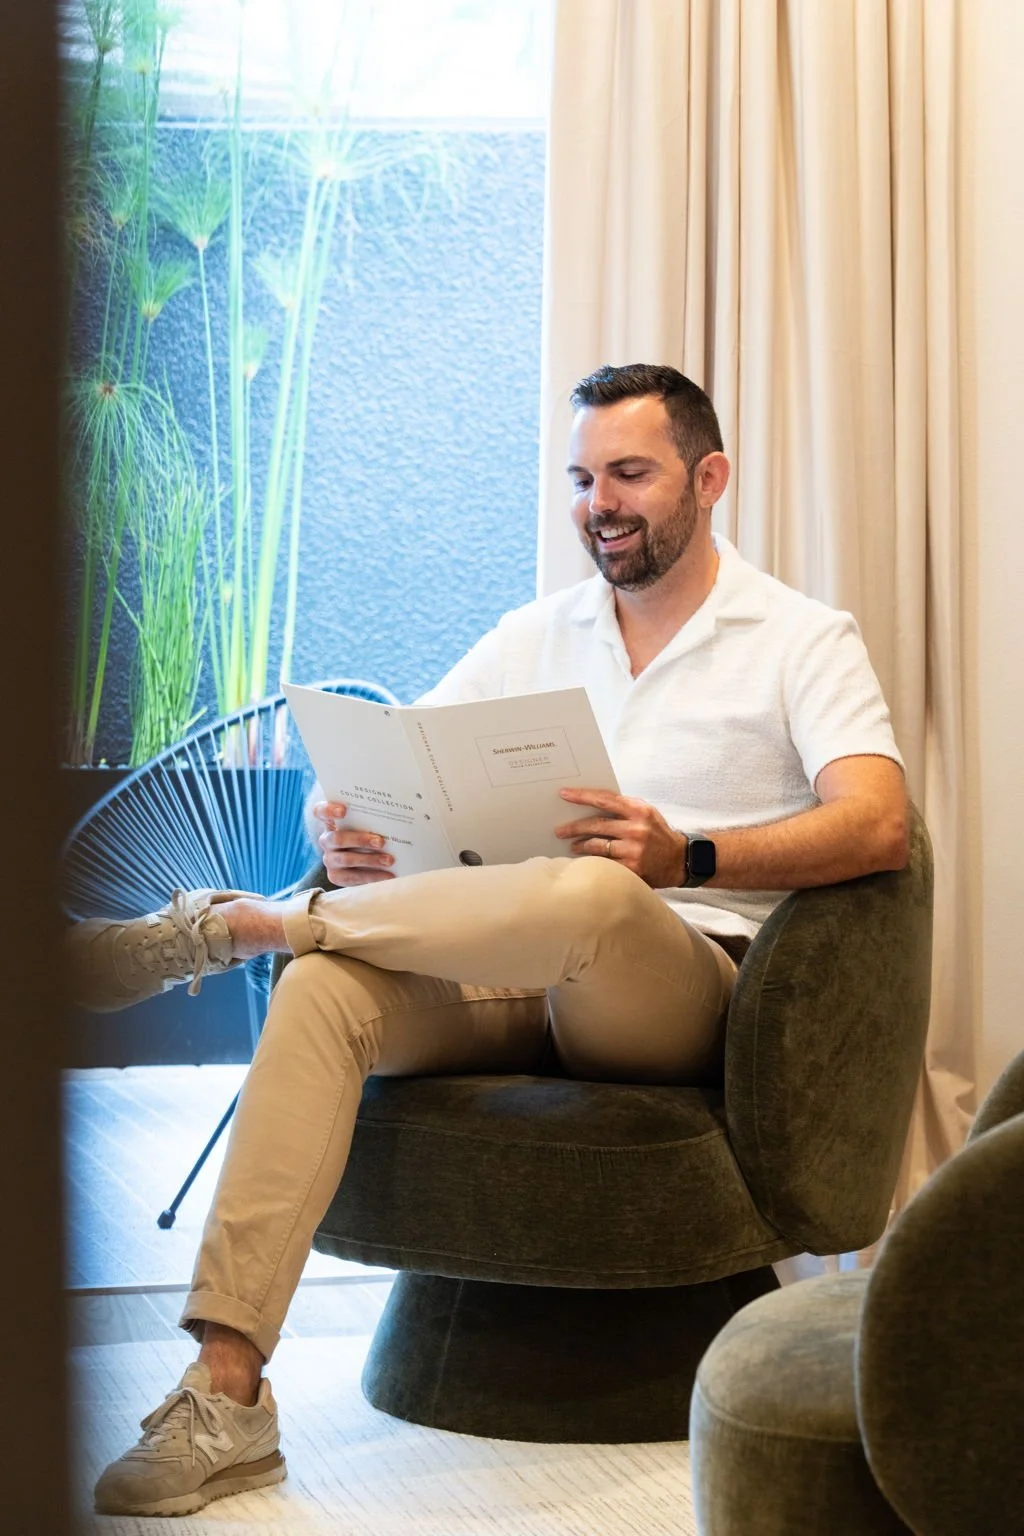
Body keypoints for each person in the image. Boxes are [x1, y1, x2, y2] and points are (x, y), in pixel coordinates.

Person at [71, 363, 909, 1518]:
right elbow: (385, 762)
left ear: (708, 478)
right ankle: (226, 1393)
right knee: (324, 993)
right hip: (511, 976)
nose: (597, 504)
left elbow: (879, 824)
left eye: (628, 473)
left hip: (673, 993)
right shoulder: (535, 631)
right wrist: (341, 822)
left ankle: (246, 926)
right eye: (580, 478)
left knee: (595, 891)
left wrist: (685, 857)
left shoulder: (799, 637)